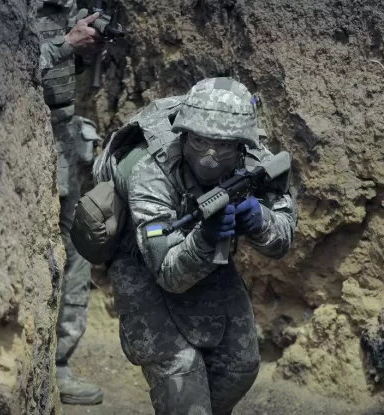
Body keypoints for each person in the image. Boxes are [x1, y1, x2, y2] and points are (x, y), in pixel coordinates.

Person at [100, 77, 297, 414]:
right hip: (142, 265)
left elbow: (283, 239)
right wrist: (206, 237)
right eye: (199, 140)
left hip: (207, 258)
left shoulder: (254, 161)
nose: (209, 155)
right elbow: (168, 273)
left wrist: (259, 219)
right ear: (184, 133)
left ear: (240, 144)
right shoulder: (151, 171)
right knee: (181, 375)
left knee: (239, 367)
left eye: (222, 145)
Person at [36, 0, 104, 405]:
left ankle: (59, 364)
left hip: (63, 141)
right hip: (30, 142)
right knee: (43, 257)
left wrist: (82, 51)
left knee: (76, 252)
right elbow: (11, 69)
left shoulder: (66, 6)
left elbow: (56, 76)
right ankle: (40, 366)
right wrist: (65, 45)